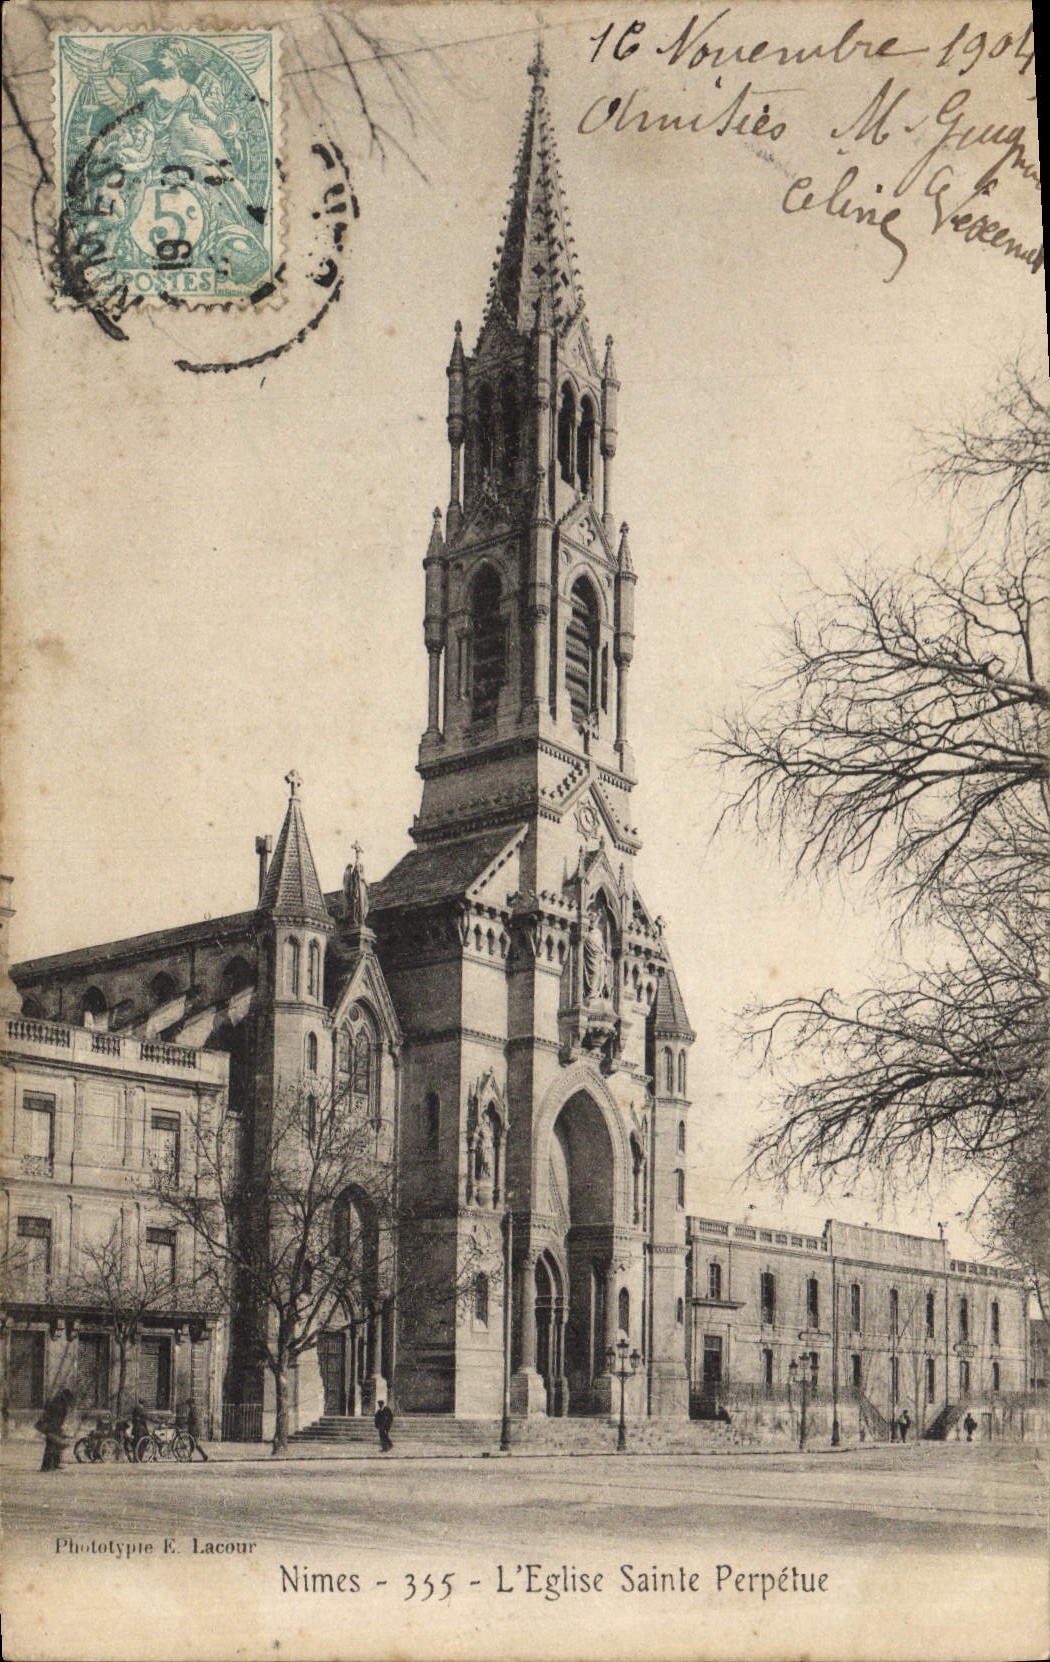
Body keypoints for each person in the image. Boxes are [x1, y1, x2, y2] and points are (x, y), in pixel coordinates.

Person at [37, 1388, 78, 1472]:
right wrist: (58, 1430)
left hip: (50, 1426)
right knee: (52, 1446)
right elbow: (55, 1419)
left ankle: (53, 1464)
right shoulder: (59, 1404)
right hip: (50, 1427)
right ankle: (47, 1466)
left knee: (54, 1446)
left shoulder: (59, 1401)